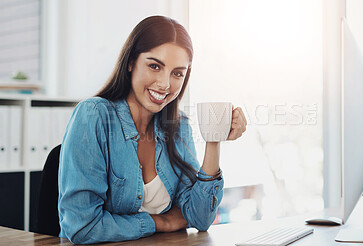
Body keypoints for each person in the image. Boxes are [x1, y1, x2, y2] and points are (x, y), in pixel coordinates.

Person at [58, 15, 247, 244]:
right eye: (154, 66)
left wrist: (214, 139)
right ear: (130, 63)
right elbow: (83, 227)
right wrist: (162, 222)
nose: (165, 84)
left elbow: (200, 217)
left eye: (177, 73)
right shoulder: (94, 115)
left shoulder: (178, 126)